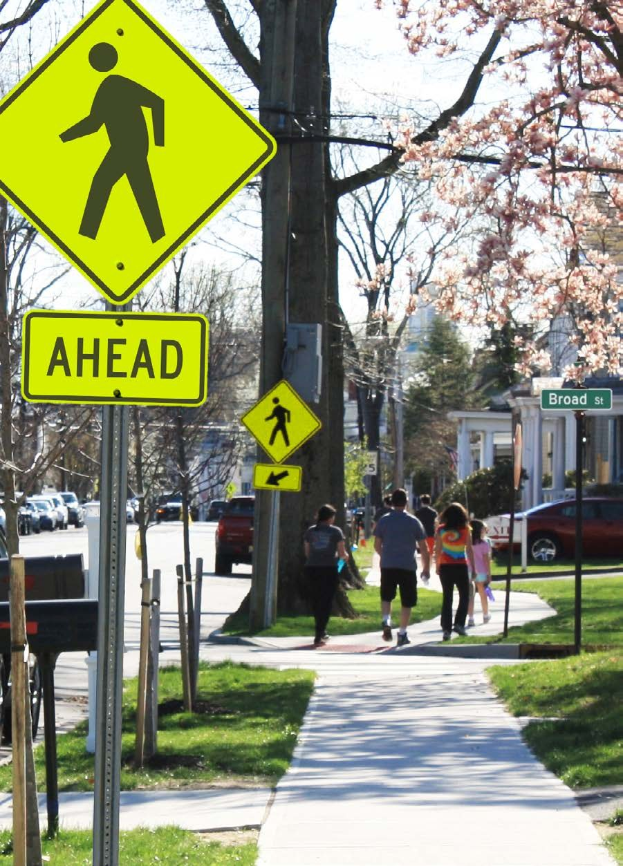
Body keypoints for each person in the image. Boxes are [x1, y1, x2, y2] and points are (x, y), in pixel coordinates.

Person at [374, 488, 430, 647]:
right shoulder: (414, 521)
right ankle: (402, 633)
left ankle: (386, 620)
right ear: (406, 502)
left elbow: (376, 544)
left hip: (388, 565)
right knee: (407, 601)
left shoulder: (384, 520)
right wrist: (426, 568)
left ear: (392, 502)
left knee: (386, 596)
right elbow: (424, 547)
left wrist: (384, 555)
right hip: (407, 566)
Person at [303, 504, 349, 647]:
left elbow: (307, 552)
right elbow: (341, 553)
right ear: (330, 518)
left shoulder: (311, 531)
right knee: (327, 600)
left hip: (312, 568)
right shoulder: (336, 531)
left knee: (316, 600)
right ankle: (320, 631)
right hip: (329, 568)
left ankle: (320, 629)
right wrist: (345, 557)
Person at [434, 502, 475, 641]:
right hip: (461, 566)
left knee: (447, 597)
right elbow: (469, 550)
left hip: (445, 566)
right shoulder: (466, 530)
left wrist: (437, 565)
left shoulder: (441, 530)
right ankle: (459, 623)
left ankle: (446, 629)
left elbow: (438, 549)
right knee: (465, 595)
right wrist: (473, 568)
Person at [467, 519, 492, 626]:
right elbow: (486, 560)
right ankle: (485, 615)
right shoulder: (484, 544)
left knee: (470, 596)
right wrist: (489, 574)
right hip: (481, 571)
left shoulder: (467, 544)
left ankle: (471, 618)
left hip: (469, 570)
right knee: (483, 594)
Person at [414, 494, 438, 583]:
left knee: (423, 552)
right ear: (429, 501)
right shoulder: (433, 512)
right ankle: (428, 568)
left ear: (421, 502)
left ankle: (424, 568)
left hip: (421, 535)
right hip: (431, 535)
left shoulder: (418, 512)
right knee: (430, 553)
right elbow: (436, 524)